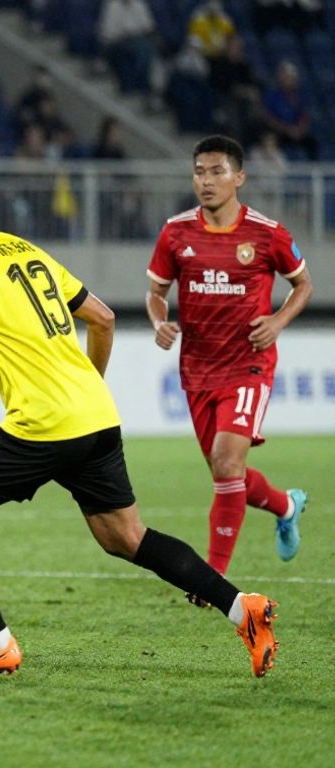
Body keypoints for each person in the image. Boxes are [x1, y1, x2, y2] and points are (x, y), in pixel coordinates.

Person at [0, 156, 280, 679]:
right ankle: (242, 609)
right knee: (125, 537)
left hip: (42, 424)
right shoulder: (28, 251)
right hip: (94, 415)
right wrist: (89, 382)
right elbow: (104, 317)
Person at [146, 135, 311, 591]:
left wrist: (277, 322)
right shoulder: (176, 232)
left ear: (239, 177)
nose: (206, 180)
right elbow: (156, 293)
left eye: (216, 171)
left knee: (225, 461)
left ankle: (214, 577)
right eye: (199, 172)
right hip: (197, 368)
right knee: (227, 472)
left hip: (249, 365)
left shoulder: (267, 233)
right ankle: (286, 506)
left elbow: (304, 286)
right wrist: (159, 321)